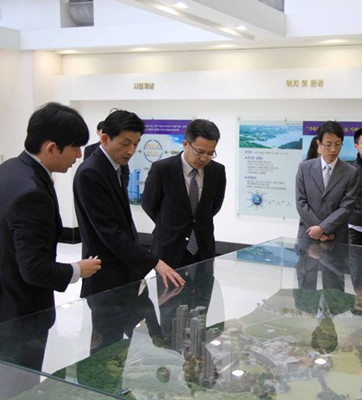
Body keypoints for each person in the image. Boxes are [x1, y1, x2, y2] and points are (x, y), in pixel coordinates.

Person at [0, 102, 101, 391]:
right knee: (18, 387)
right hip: (19, 314)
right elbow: (34, 270)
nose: (79, 155)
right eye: (75, 147)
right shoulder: (31, 193)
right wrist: (77, 270)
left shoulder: (10, 169)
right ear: (51, 148)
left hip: (5, 302)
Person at [74, 109, 185, 296]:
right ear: (105, 139)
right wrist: (155, 262)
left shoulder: (119, 167)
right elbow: (109, 231)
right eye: (125, 143)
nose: (131, 150)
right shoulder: (90, 173)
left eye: (136, 143)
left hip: (127, 268)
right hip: (106, 272)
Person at [142, 119, 226, 269]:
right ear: (186, 144)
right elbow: (149, 204)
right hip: (169, 248)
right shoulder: (162, 169)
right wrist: (169, 224)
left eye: (210, 153)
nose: (204, 158)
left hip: (203, 249)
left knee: (204, 284)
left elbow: (214, 206)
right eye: (199, 152)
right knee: (168, 285)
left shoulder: (217, 171)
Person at [295, 120, 359, 243]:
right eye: (328, 144)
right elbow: (301, 203)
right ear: (319, 143)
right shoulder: (304, 168)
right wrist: (319, 231)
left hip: (336, 236)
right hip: (309, 233)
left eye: (337, 144)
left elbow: (346, 207)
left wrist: (323, 228)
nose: (333, 149)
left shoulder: (351, 172)